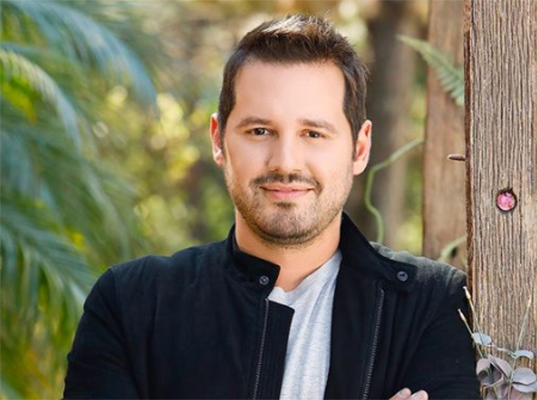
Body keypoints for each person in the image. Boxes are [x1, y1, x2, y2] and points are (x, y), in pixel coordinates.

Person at [63, 14, 480, 400]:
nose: (285, 161)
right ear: (218, 139)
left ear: (360, 147)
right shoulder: (133, 305)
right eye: (260, 130)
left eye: (313, 134)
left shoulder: (433, 305)